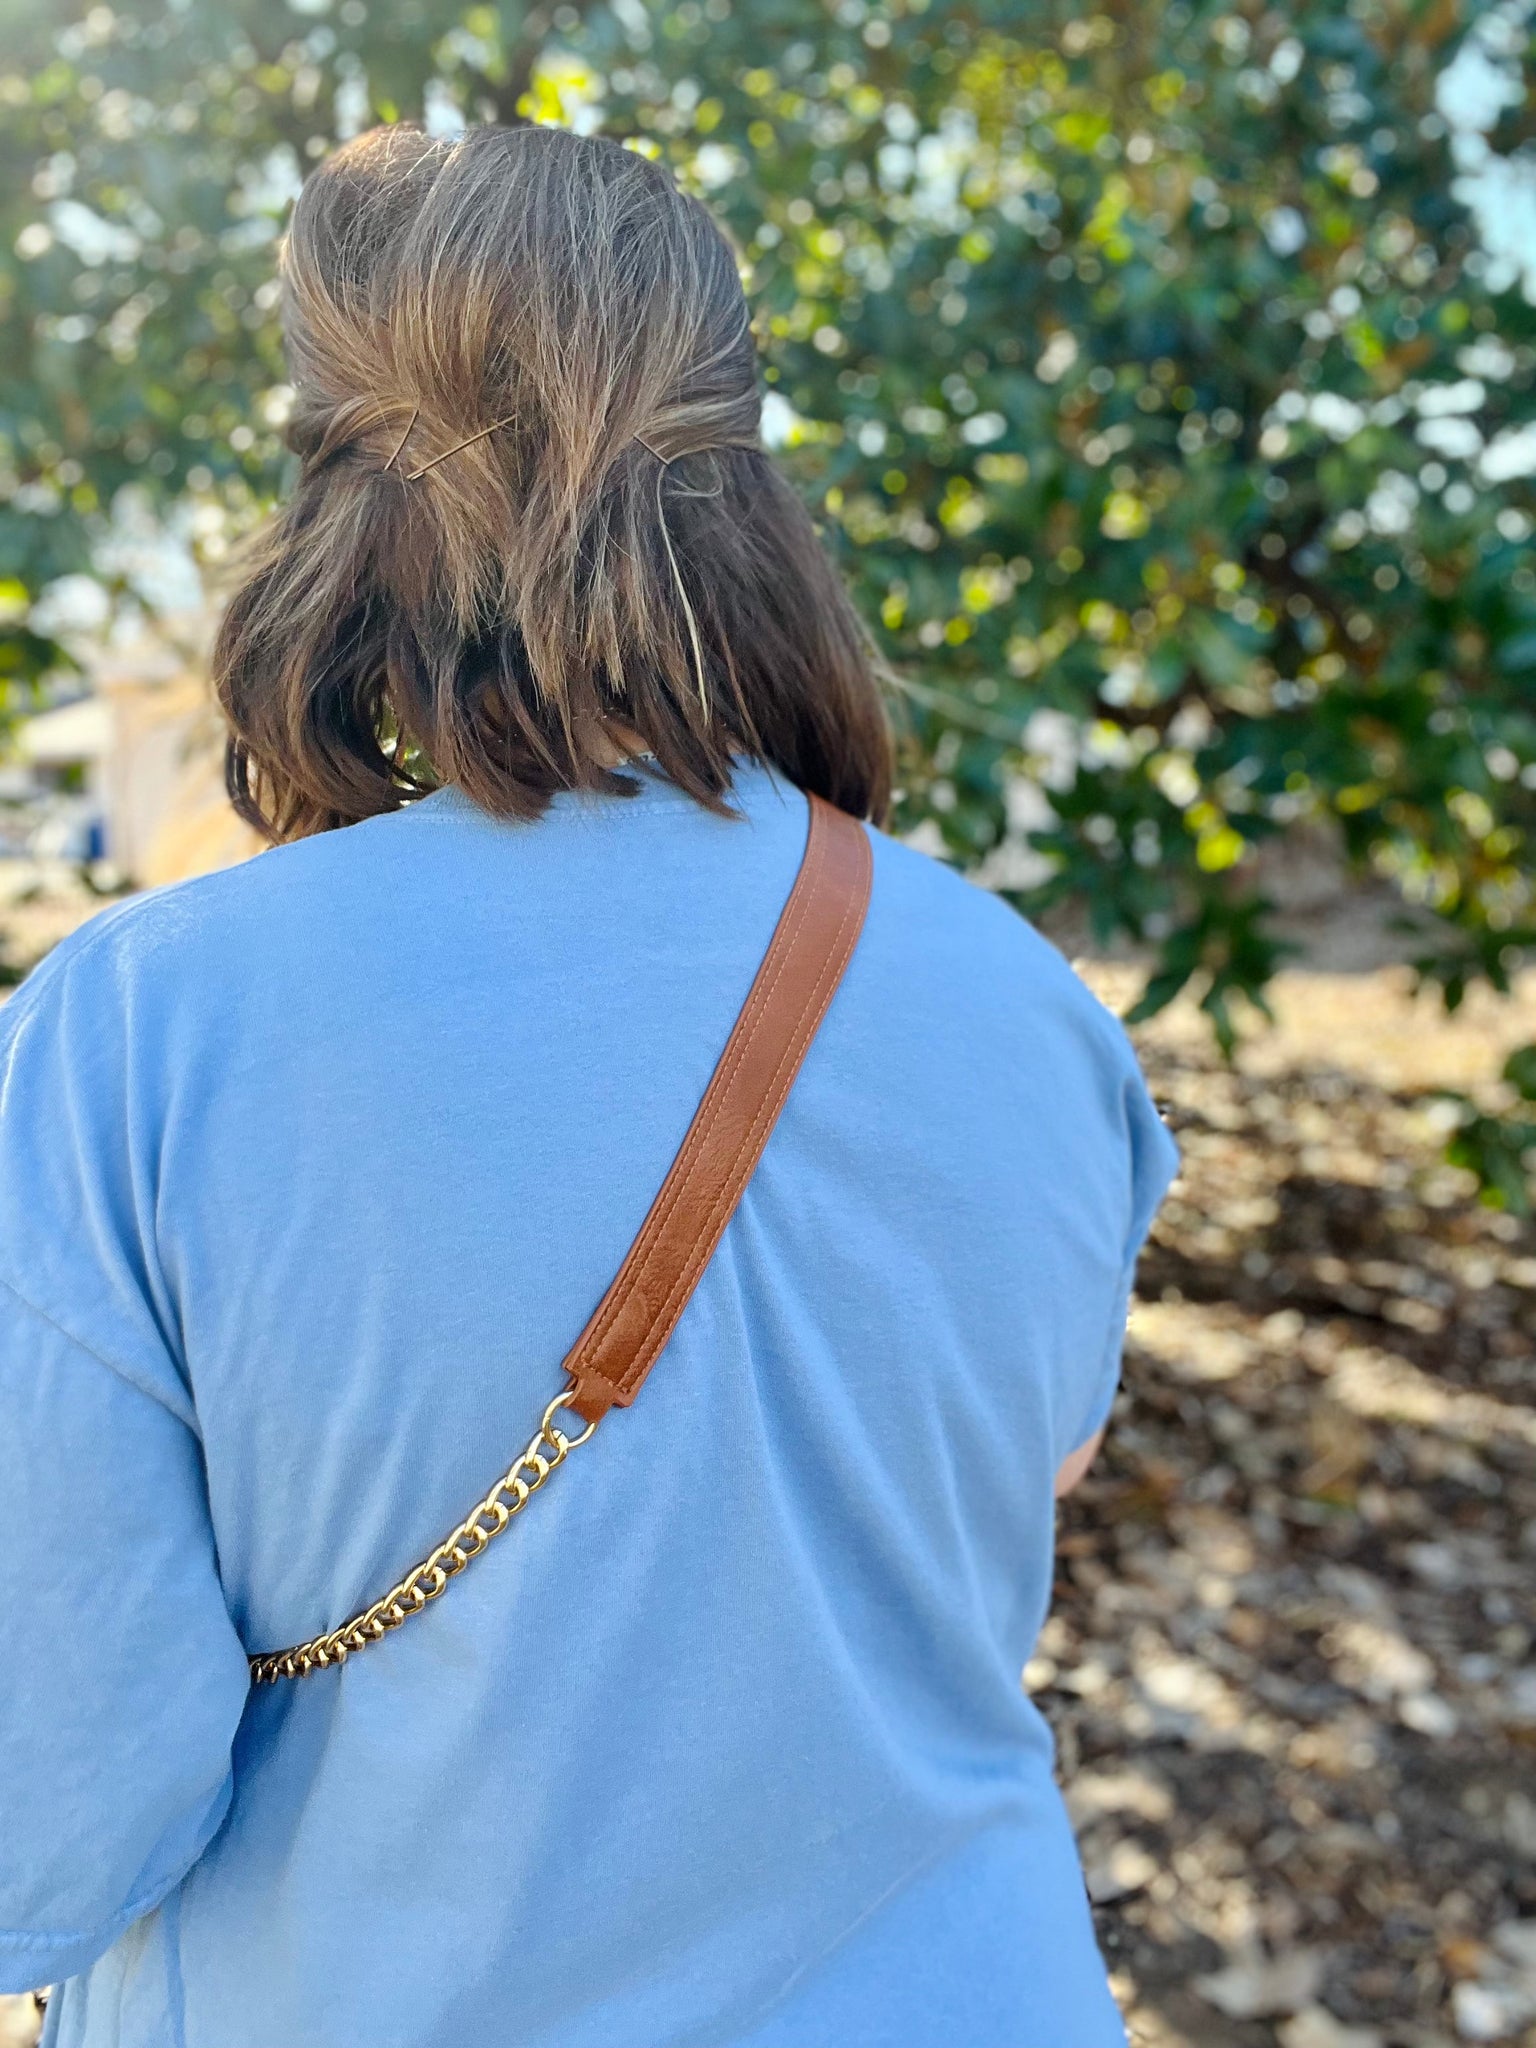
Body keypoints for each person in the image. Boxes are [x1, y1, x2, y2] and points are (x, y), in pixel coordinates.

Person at [0, 123, 1176, 2047]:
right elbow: (1019, 1477)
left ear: (327, 497)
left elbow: (48, 1830)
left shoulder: (133, 1037)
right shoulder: (1033, 1009)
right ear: (747, 488)